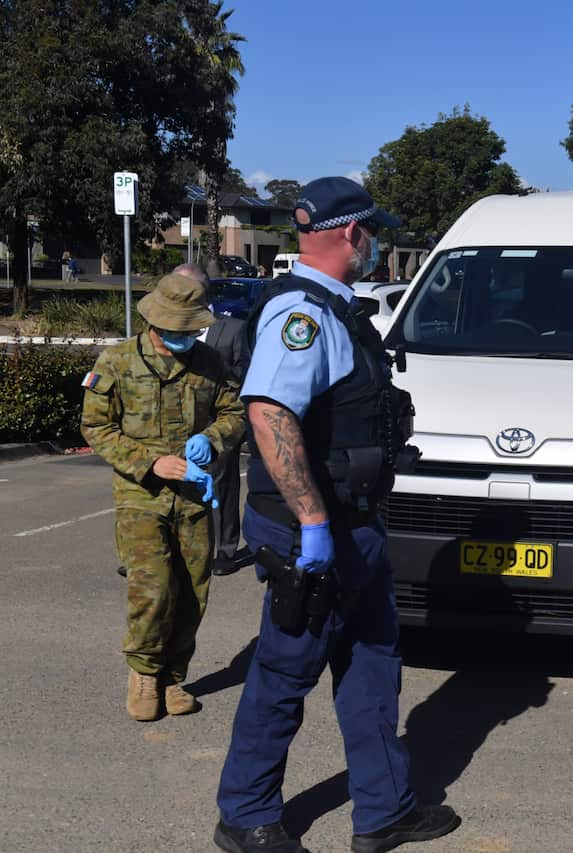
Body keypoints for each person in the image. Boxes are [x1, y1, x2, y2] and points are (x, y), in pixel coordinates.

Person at [214, 177, 459, 853]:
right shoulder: (303, 316)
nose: (377, 240)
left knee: (374, 660)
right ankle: (245, 812)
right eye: (372, 230)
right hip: (312, 532)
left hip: (356, 526)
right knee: (287, 669)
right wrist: (314, 523)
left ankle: (384, 809)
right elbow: (268, 410)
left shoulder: (337, 309)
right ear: (353, 232)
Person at [80, 273, 245, 721]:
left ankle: (174, 677)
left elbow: (235, 412)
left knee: (193, 592)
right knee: (151, 589)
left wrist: (212, 439)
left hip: (192, 496)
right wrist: (148, 463)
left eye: (191, 331)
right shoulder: (117, 362)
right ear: (154, 322)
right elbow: (95, 427)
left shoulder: (209, 362)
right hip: (141, 497)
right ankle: (144, 674)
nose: (184, 338)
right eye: (177, 331)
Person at [175, 262, 252, 576]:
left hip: (219, 420)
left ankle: (224, 548)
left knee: (221, 484)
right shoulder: (168, 328)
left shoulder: (232, 329)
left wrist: (214, 369)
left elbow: (247, 374)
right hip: (176, 420)